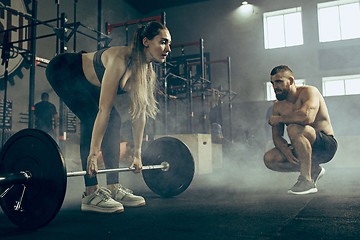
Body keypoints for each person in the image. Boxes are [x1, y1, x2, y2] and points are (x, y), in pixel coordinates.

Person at [45, 21, 171, 213]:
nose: (168, 48)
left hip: (88, 81)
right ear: (146, 41)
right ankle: (90, 193)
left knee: (116, 120)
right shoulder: (120, 60)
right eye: (163, 42)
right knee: (93, 116)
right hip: (65, 69)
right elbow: (103, 110)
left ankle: (113, 187)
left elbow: (139, 114)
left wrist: (138, 154)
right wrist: (93, 155)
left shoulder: (144, 71)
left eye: (169, 43)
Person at [263, 65, 337, 195]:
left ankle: (306, 180)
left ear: (291, 81)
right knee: (270, 158)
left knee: (294, 128)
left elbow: (307, 117)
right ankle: (313, 170)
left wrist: (280, 119)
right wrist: (284, 148)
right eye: (273, 83)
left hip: (325, 146)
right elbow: (277, 136)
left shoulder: (309, 92)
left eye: (279, 81)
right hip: (302, 147)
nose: (275, 87)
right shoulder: (278, 106)